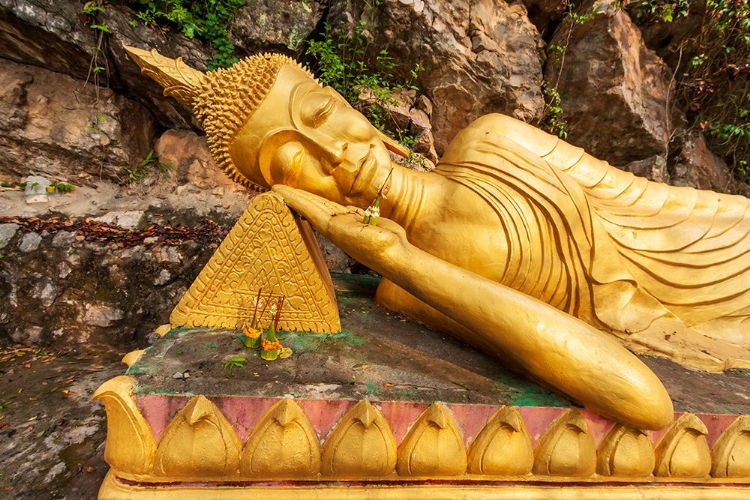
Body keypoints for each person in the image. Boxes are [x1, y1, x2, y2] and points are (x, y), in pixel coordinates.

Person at [125, 47, 750, 429]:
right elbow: (644, 402)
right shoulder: (409, 289)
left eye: (321, 116)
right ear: (295, 196)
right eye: (294, 167)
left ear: (344, 99)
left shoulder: (494, 139)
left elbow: (667, 210)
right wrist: (398, 261)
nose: (333, 153)